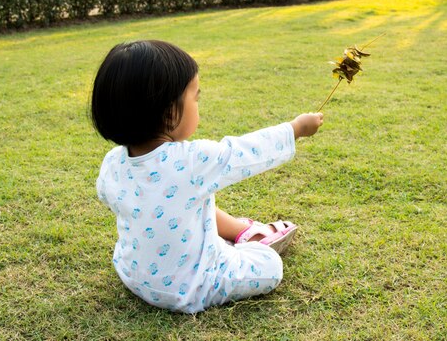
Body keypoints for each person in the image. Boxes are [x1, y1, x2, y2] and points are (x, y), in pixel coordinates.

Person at [90, 40, 323, 313]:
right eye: (195, 98)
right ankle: (249, 242)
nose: (198, 104)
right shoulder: (192, 161)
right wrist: (295, 129)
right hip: (190, 287)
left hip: (133, 276)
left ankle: (239, 230)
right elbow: (244, 152)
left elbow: (114, 199)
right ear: (169, 114)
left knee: (183, 202)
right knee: (269, 266)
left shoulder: (113, 162)